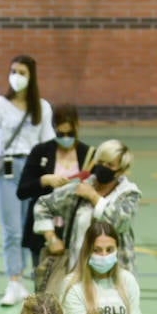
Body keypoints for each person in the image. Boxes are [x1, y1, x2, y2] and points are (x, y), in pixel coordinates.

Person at [0, 55, 56, 307]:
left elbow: (49, 142)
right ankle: (14, 281)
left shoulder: (42, 107)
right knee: (11, 229)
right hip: (8, 170)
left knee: (30, 227)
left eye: (22, 72)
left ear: (31, 77)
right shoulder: (0, 104)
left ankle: (34, 282)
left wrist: (53, 173)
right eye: (13, 71)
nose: (16, 76)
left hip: (33, 172)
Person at [33, 139, 140, 295]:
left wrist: (93, 197)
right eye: (101, 162)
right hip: (78, 277)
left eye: (110, 165)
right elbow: (43, 205)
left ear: (121, 170)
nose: (103, 167)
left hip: (115, 281)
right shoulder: (79, 188)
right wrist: (51, 237)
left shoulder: (129, 194)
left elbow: (120, 223)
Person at [17, 103, 94, 277]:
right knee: (45, 288)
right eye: (61, 134)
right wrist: (44, 180)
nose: (65, 138)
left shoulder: (88, 154)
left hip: (76, 231)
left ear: (78, 127)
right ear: (54, 129)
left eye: (70, 134)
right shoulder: (40, 152)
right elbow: (22, 191)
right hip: (44, 233)